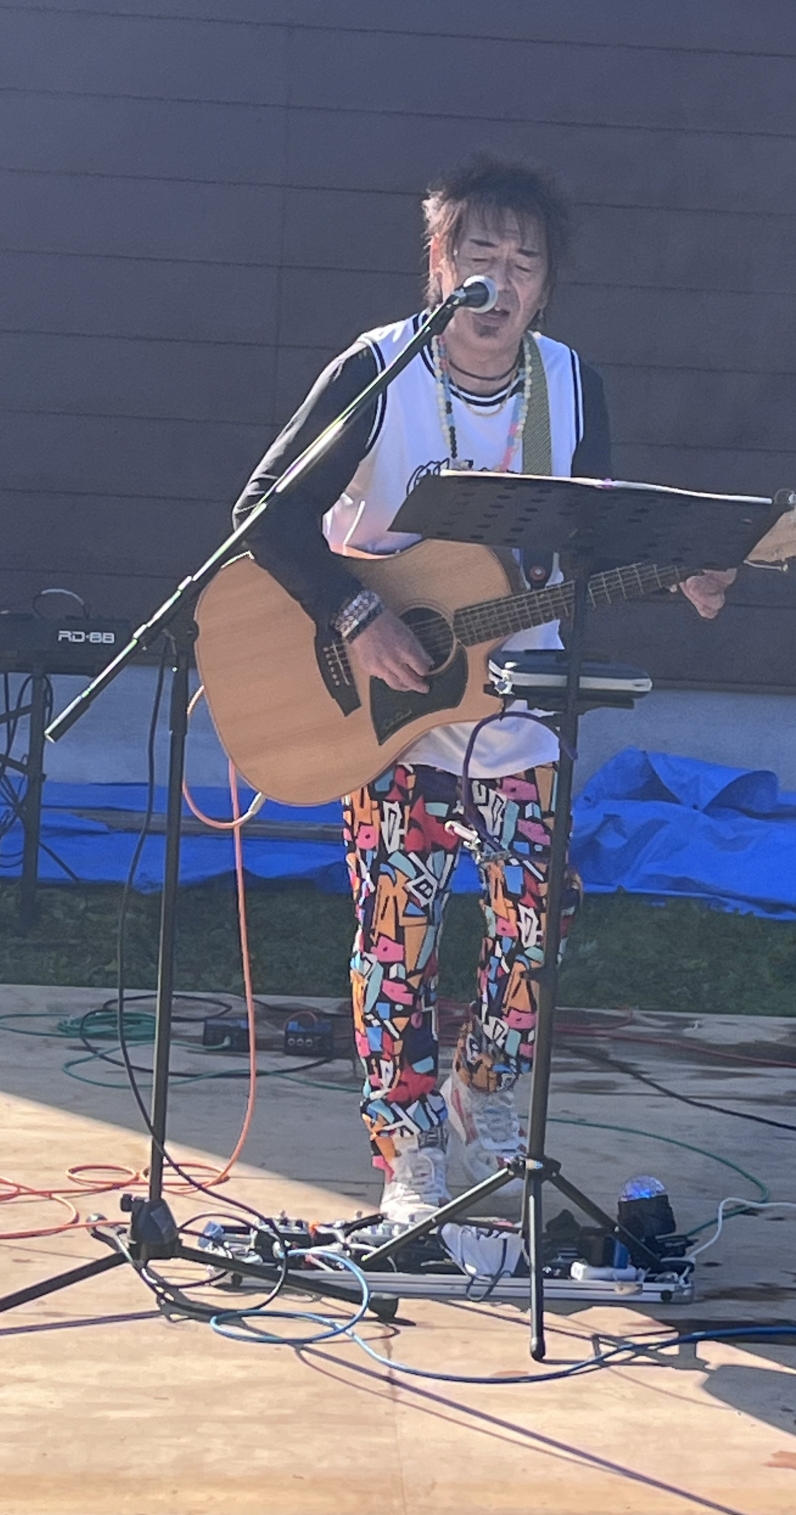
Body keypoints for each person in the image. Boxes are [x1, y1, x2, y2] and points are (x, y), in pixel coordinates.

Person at [234, 159, 734, 1227]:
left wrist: (677, 568)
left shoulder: (571, 386)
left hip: (518, 712)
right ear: (439, 263)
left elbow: (587, 546)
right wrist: (357, 615)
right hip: (389, 719)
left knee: (539, 924)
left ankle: (482, 1087)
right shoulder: (379, 369)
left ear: (547, 286)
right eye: (480, 257)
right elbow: (266, 510)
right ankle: (409, 1151)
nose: (499, 285)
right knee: (395, 942)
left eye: (524, 264)